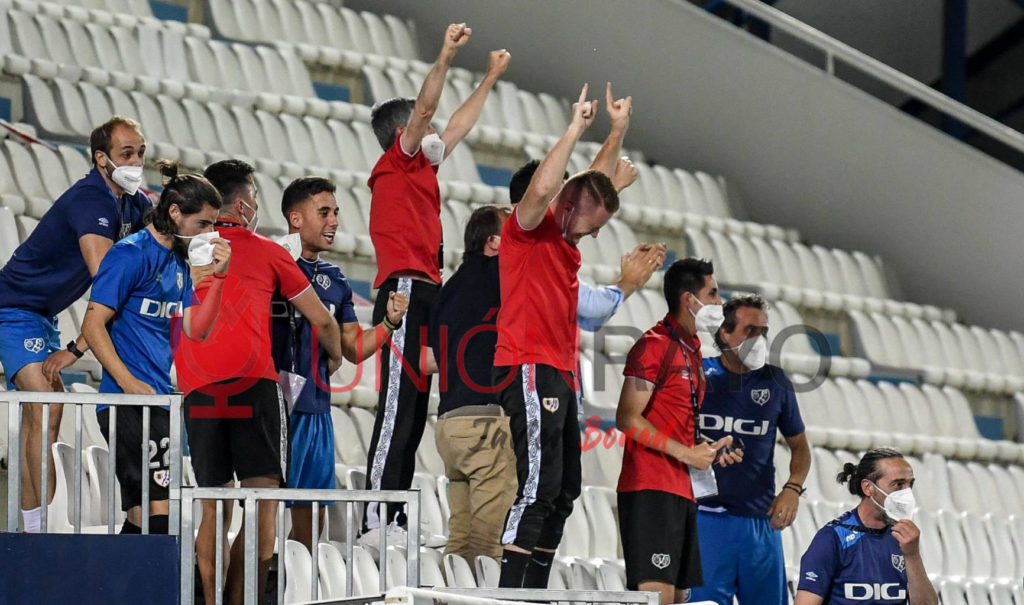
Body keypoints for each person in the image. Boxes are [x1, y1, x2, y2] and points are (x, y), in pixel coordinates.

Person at [362, 21, 510, 541]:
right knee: (396, 408)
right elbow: (427, 111)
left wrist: (489, 78)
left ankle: (394, 515)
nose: (435, 133)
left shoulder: (422, 168)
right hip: (403, 286)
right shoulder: (397, 164)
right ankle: (376, 515)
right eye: (425, 129)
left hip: (427, 287)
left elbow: (457, 127)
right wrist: (445, 55)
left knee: (415, 408)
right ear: (407, 133)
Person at [176, 160, 343, 605]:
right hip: (252, 383)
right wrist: (336, 353)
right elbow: (321, 319)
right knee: (263, 503)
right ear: (246, 203)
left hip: (198, 386)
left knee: (213, 504)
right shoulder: (268, 250)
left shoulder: (190, 247)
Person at [494, 82, 634, 589]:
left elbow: (591, 187)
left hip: (559, 375)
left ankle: (534, 587)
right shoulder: (524, 230)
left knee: (564, 490)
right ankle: (511, 595)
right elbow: (543, 192)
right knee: (536, 487)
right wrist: (575, 126)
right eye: (590, 219)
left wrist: (616, 131)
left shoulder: (563, 243)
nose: (595, 229)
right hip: (528, 367)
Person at [0, 116, 150, 532]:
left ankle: (31, 533)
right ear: (101, 159)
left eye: (140, 152)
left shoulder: (133, 204)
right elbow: (108, 286)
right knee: (47, 408)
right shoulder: (91, 202)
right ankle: (37, 532)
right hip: (12, 309)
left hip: (42, 314)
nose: (137, 161)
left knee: (40, 416)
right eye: (127, 154)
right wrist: (81, 346)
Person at [81, 161, 230, 534]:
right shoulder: (130, 254)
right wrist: (129, 385)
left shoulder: (178, 262)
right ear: (176, 213)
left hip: (158, 401)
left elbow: (196, 329)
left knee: (145, 516)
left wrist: (220, 278)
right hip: (126, 403)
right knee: (156, 513)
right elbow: (92, 325)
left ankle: (115, 589)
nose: (209, 233)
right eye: (204, 224)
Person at [269, 176, 408, 553]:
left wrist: (389, 324)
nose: (334, 222)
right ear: (295, 218)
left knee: (310, 522)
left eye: (336, 213)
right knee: (260, 517)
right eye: (324, 212)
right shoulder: (269, 265)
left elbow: (352, 348)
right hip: (271, 407)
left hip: (315, 410)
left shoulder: (335, 280)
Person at [615, 258, 741, 605]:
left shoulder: (692, 349)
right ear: (689, 299)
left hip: (681, 487)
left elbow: (670, 417)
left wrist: (702, 447)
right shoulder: (653, 344)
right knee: (658, 596)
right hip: (651, 487)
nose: (719, 302)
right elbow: (627, 417)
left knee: (680, 597)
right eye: (712, 294)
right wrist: (686, 452)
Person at [689, 295, 812, 605]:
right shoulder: (697, 375)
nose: (757, 339)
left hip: (760, 523)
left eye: (762, 331)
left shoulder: (775, 381)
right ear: (724, 334)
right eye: (749, 331)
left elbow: (800, 447)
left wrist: (792, 489)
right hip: (705, 518)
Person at [427, 205, 515, 565]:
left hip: (450, 425)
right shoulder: (502, 277)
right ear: (494, 243)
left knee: (459, 541)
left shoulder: (448, 289)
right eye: (514, 233)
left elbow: (430, 355)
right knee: (486, 545)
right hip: (485, 423)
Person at [508, 157, 667, 332]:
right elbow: (591, 307)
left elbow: (590, 320)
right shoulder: (532, 251)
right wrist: (627, 283)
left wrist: (627, 281)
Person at [795, 448, 937, 605]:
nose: (907, 494)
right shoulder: (832, 538)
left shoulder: (904, 539)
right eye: (898, 485)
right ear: (868, 487)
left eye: (910, 484)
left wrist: (912, 555)